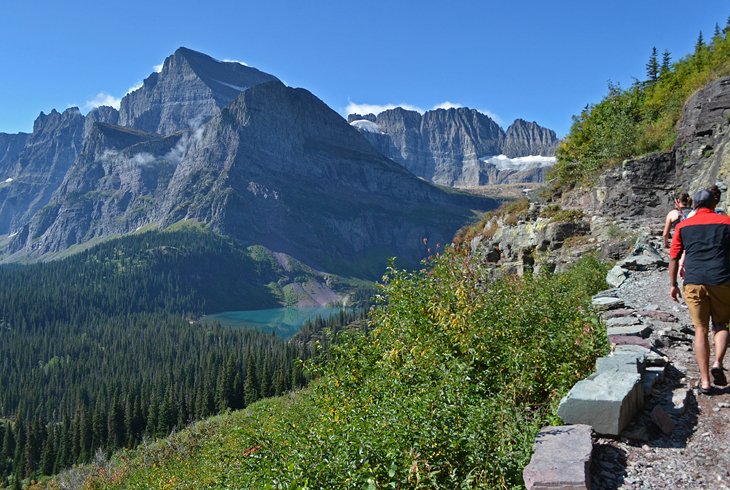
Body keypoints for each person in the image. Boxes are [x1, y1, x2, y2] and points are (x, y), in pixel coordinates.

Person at [669, 188, 730, 394]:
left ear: (694, 204)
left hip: (693, 281)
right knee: (721, 324)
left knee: (700, 330)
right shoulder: (726, 222)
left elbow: (674, 256)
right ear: (714, 204)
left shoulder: (683, 225)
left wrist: (673, 284)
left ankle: (705, 382)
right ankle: (717, 363)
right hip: (721, 279)